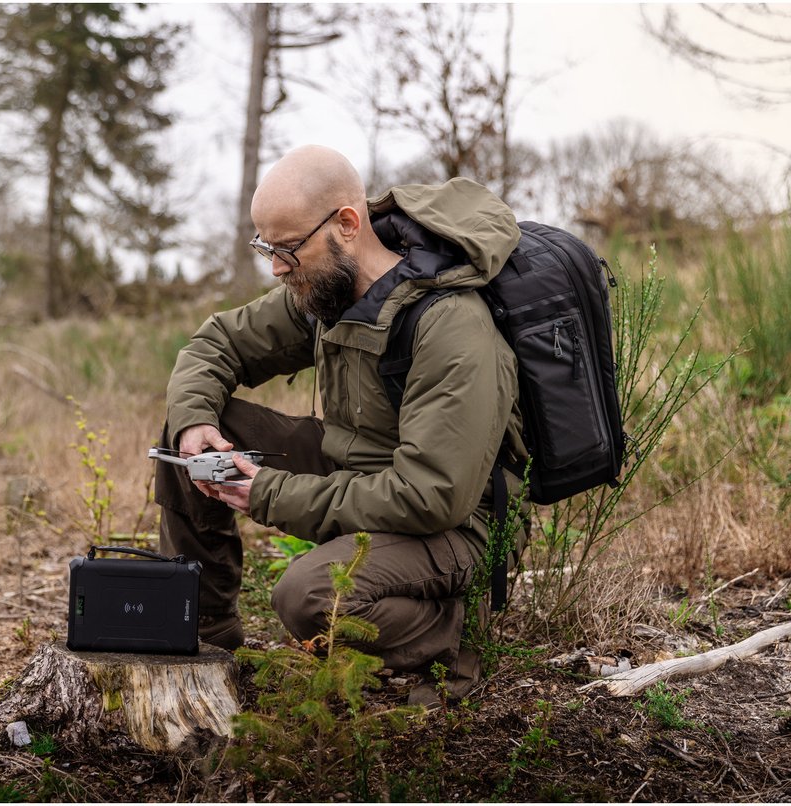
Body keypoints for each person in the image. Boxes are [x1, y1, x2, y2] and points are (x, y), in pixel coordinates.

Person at [153, 144, 527, 704]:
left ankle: (455, 632)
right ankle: (208, 635)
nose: (277, 267)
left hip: (458, 524)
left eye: (286, 249)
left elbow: (432, 494)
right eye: (266, 248)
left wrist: (268, 491)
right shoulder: (325, 289)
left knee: (308, 598)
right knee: (193, 429)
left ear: (347, 225)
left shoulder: (450, 324)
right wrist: (193, 426)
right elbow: (218, 343)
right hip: (358, 470)